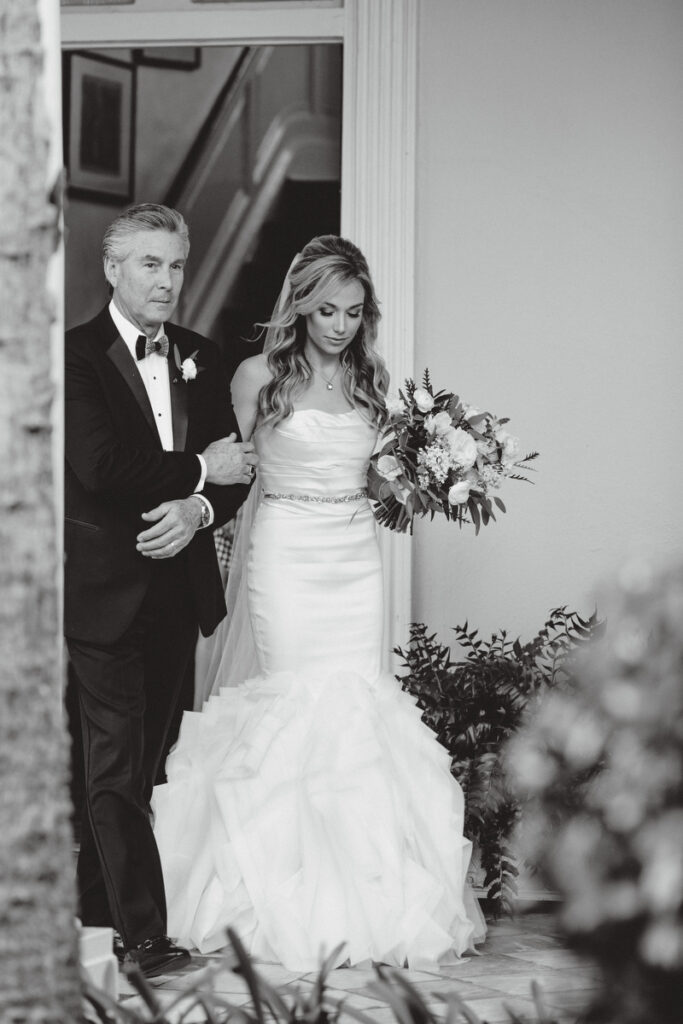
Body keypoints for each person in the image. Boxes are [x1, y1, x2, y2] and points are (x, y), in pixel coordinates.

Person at [152, 235, 486, 970]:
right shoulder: (254, 376)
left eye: (353, 312)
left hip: (353, 551)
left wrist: (421, 474)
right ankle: (275, 893)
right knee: (296, 703)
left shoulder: (373, 377)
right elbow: (236, 478)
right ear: (300, 303)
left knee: (357, 704)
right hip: (285, 551)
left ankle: (363, 896)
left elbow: (374, 481)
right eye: (327, 309)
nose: (338, 325)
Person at [65, 204, 257, 978]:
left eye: (176, 265)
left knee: (144, 767)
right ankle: (143, 940)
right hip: (105, 591)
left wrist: (200, 508)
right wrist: (202, 472)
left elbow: (239, 473)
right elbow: (102, 468)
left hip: (177, 594)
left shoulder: (202, 358)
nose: (167, 281)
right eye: (150, 264)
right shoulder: (74, 357)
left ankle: (93, 910)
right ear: (113, 269)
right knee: (113, 767)